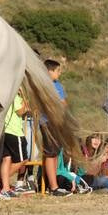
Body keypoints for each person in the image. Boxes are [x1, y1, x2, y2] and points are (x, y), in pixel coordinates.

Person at [40, 60, 69, 196]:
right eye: (58, 71)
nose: (60, 73)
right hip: (47, 123)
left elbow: (63, 103)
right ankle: (53, 187)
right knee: (50, 154)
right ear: (49, 71)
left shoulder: (59, 86)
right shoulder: (43, 85)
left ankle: (55, 183)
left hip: (58, 123)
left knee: (56, 153)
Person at [0, 91, 30, 198]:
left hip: (5, 131)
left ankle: (5, 188)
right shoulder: (15, 97)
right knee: (23, 159)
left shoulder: (6, 95)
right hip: (14, 132)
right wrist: (25, 100)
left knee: (6, 159)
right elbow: (20, 111)